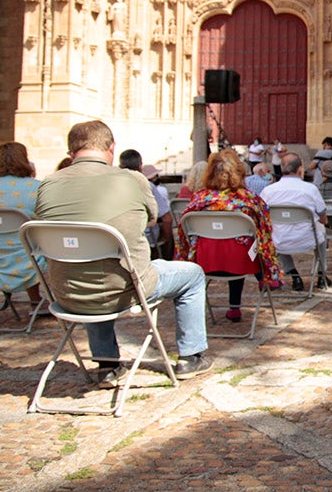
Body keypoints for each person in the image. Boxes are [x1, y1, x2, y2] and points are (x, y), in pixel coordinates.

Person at [35, 120, 212, 385]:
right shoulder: (131, 180)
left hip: (68, 292)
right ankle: (190, 355)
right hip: (126, 289)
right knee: (193, 274)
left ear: (71, 151)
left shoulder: (47, 185)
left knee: (88, 263)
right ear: (111, 148)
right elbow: (153, 219)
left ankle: (106, 363)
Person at [176, 149, 283, 323]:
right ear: (239, 172)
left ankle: (226, 309)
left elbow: (183, 233)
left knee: (230, 243)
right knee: (248, 243)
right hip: (243, 261)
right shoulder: (250, 200)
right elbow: (265, 230)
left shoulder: (199, 199)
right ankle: (262, 281)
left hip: (205, 259)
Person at [0, 142, 44, 313]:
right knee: (34, 241)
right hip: (32, 261)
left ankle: (36, 301)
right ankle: (39, 301)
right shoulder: (34, 187)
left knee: (19, 242)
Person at [260, 153, 329, 291]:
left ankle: (294, 274)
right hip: (307, 239)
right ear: (300, 169)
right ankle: (321, 274)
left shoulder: (268, 191)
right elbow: (323, 218)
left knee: (277, 232)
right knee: (322, 230)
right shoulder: (311, 189)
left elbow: (262, 218)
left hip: (280, 242)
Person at [119, 150, 172, 261]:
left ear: (120, 166)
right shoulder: (148, 186)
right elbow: (167, 219)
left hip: (119, 236)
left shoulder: (112, 186)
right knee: (168, 233)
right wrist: (164, 239)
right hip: (145, 237)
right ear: (140, 166)